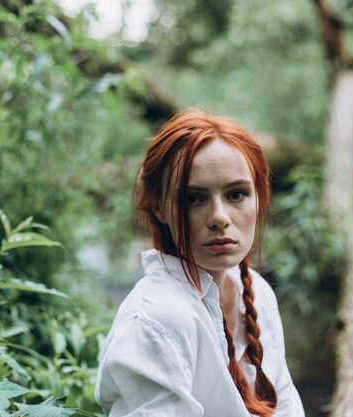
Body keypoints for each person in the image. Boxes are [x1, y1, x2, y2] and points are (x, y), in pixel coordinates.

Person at [95, 109, 305, 417]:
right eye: (194, 198)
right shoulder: (157, 322)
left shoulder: (258, 294)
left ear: (259, 197)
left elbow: (285, 406)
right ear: (158, 207)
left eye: (236, 194)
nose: (219, 217)